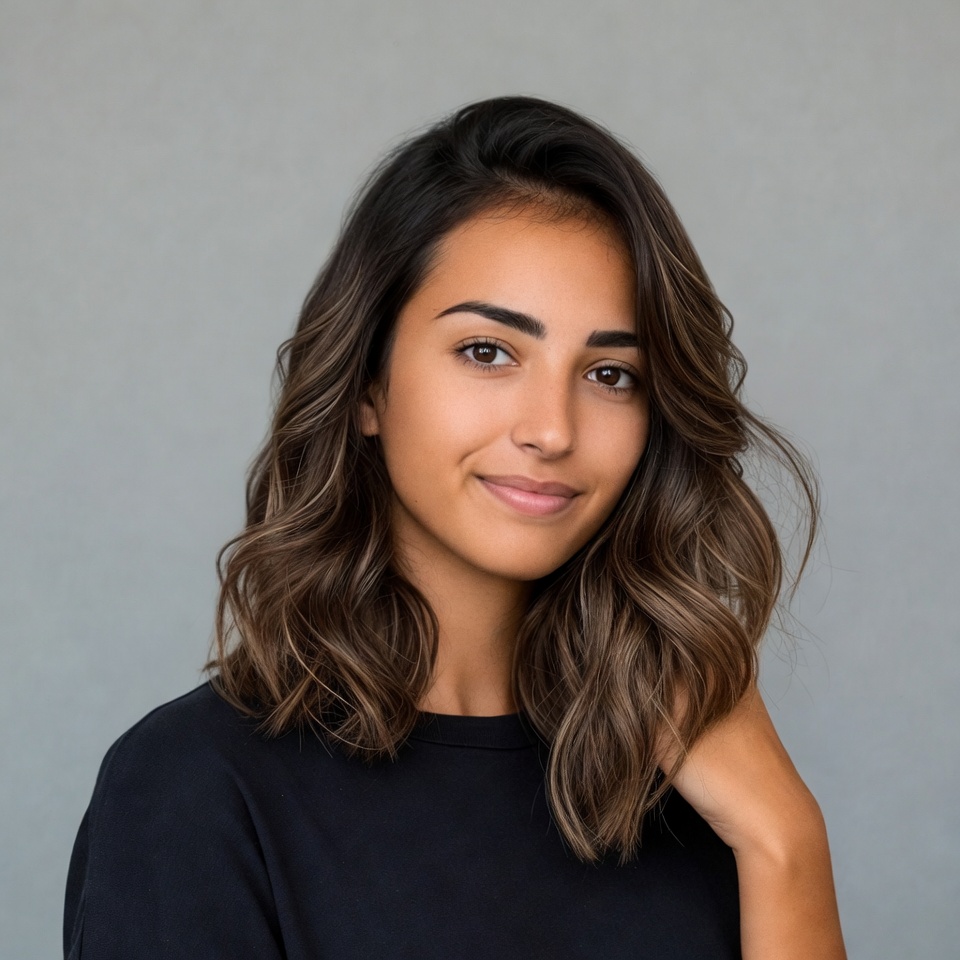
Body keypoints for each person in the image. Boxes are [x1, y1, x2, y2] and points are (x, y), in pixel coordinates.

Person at [63, 96, 846, 959]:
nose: (552, 429)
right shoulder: (193, 793)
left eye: (612, 373)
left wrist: (785, 843)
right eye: (488, 352)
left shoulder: (698, 779)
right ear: (368, 385)